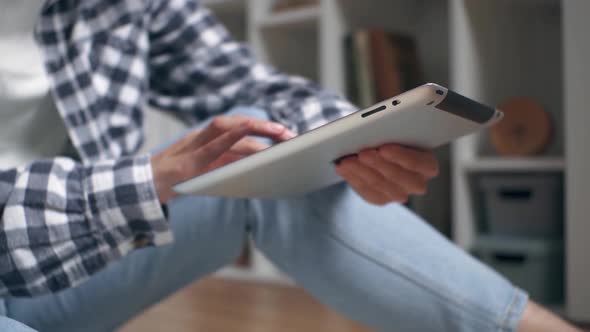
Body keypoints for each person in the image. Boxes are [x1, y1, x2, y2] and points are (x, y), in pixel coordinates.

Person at [0, 1, 581, 331]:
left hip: (71, 276)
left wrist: (351, 143)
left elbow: (259, 90)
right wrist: (146, 181)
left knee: (264, 144)